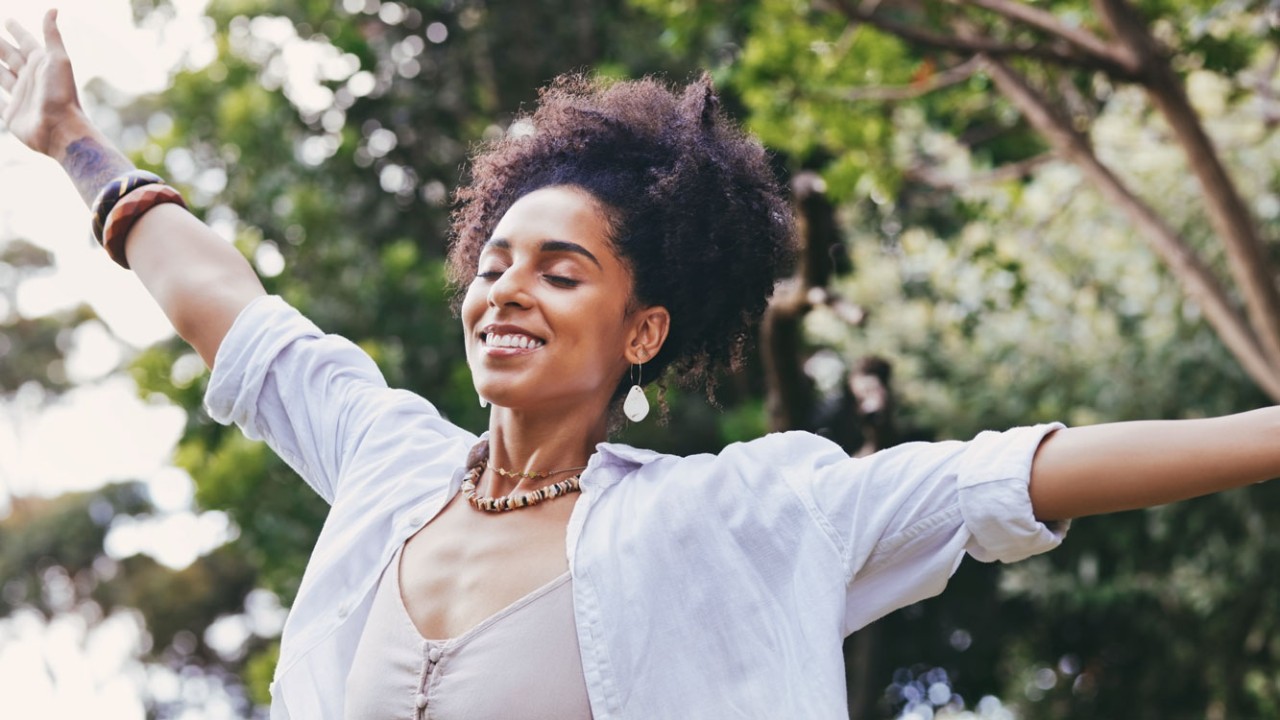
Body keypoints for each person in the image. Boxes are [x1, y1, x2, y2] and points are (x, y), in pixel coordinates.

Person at [2, 9, 1277, 719]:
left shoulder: (733, 517)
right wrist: (75, 144)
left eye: (561, 272)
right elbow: (229, 307)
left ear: (643, 332)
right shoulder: (388, 464)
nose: (505, 288)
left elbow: (1019, 476)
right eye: (495, 259)